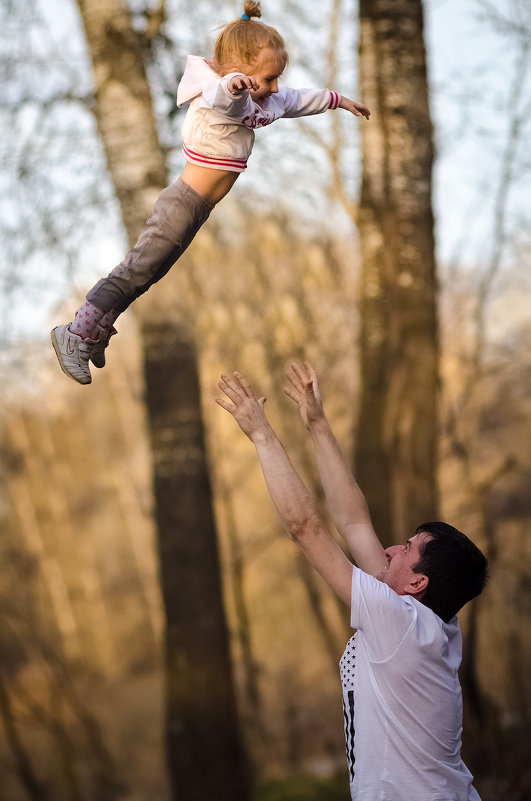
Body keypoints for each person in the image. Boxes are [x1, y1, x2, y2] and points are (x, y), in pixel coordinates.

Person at [50, 1, 370, 385]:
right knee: (137, 268)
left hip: (199, 209)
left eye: (277, 78)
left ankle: (98, 329)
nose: (274, 87)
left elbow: (301, 100)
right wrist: (234, 83)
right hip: (182, 202)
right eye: (267, 79)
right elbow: (222, 94)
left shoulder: (269, 98)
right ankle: (75, 334)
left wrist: (338, 100)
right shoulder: (222, 97)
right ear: (237, 73)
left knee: (151, 273)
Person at [216, 362, 488, 801]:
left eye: (406, 547)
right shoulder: (428, 623)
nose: (390, 550)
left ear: (417, 583)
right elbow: (353, 520)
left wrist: (262, 435)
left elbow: (306, 527)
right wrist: (318, 426)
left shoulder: (399, 624)